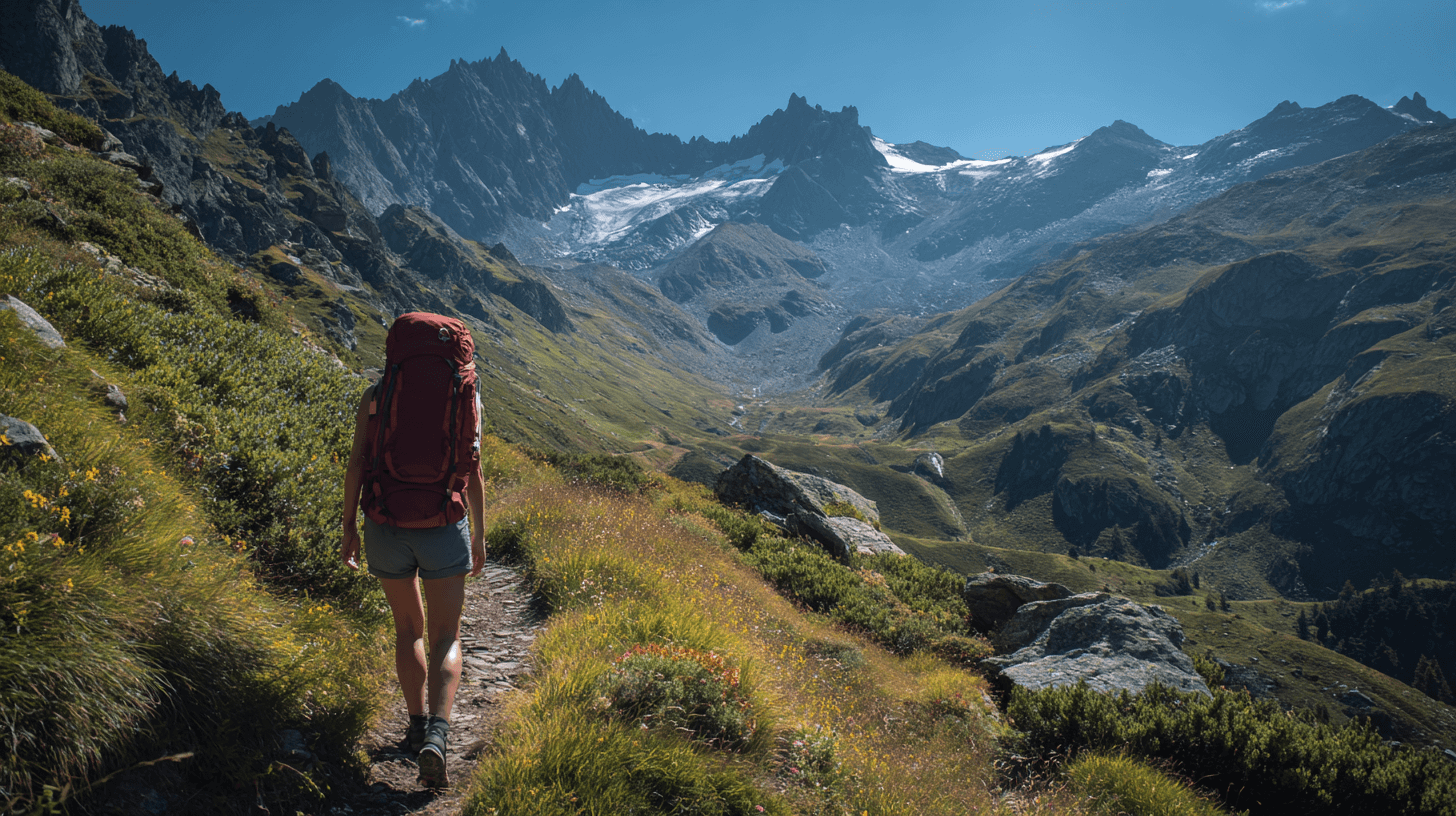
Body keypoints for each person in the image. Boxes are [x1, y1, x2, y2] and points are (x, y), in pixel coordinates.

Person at [340, 328, 486, 789]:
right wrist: (479, 534)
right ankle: (438, 738)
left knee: (409, 630)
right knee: (447, 635)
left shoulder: (375, 395)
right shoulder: (467, 396)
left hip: (386, 522)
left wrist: (348, 527)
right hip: (444, 523)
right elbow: (473, 467)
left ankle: (415, 725)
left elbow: (357, 462)